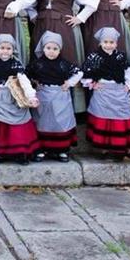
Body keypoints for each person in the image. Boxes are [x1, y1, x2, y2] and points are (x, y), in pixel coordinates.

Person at [0, 33, 40, 164]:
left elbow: (24, 81)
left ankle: (19, 153)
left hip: (14, 98)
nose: (5, 51)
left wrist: (31, 97)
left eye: (8, 48)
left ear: (13, 50)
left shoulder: (16, 64)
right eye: (2, 48)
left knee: (18, 126)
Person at [26, 31, 82, 162]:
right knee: (43, 122)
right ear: (43, 48)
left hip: (60, 96)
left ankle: (62, 150)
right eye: (48, 48)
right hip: (43, 95)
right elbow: (26, 74)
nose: (51, 51)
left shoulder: (64, 64)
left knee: (61, 122)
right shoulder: (38, 64)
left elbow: (79, 73)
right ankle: (42, 149)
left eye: (55, 49)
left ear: (60, 49)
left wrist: (69, 83)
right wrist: (34, 82)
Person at [82, 27, 130, 159]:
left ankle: (122, 146)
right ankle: (103, 148)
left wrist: (128, 84)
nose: (108, 45)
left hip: (118, 90)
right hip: (103, 91)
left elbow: (128, 70)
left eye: (112, 42)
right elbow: (85, 72)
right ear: (100, 42)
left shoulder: (120, 56)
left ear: (116, 43)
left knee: (122, 117)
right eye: (105, 42)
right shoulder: (94, 56)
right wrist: (91, 83)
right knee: (103, 118)